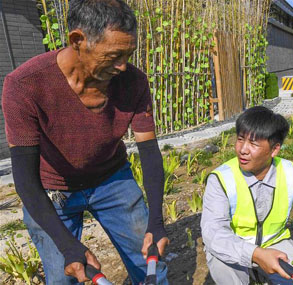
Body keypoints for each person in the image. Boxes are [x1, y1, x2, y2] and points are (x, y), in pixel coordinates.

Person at [2, 0, 169, 283]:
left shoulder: (133, 82)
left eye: (128, 54)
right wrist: (67, 247)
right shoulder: (25, 85)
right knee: (65, 275)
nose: (123, 65)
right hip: (53, 192)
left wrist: (157, 223)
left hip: (113, 180)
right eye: (114, 55)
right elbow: (26, 181)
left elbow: (150, 153)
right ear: (78, 40)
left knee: (150, 265)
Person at [201, 106, 293, 284]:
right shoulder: (221, 178)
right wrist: (255, 254)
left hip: (275, 245)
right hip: (235, 247)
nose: (243, 150)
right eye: (240, 139)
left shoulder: (291, 172)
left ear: (275, 149)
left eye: (253, 144)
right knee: (222, 264)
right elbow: (213, 233)